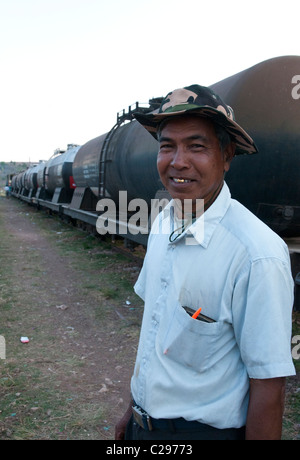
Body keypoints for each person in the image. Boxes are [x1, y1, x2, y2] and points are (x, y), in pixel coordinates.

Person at [115, 85, 296, 440]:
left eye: (196, 146)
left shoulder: (256, 255)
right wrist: (133, 411)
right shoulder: (165, 221)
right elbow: (154, 333)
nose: (178, 161)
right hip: (144, 427)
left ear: (227, 156)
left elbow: (268, 388)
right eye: (167, 146)